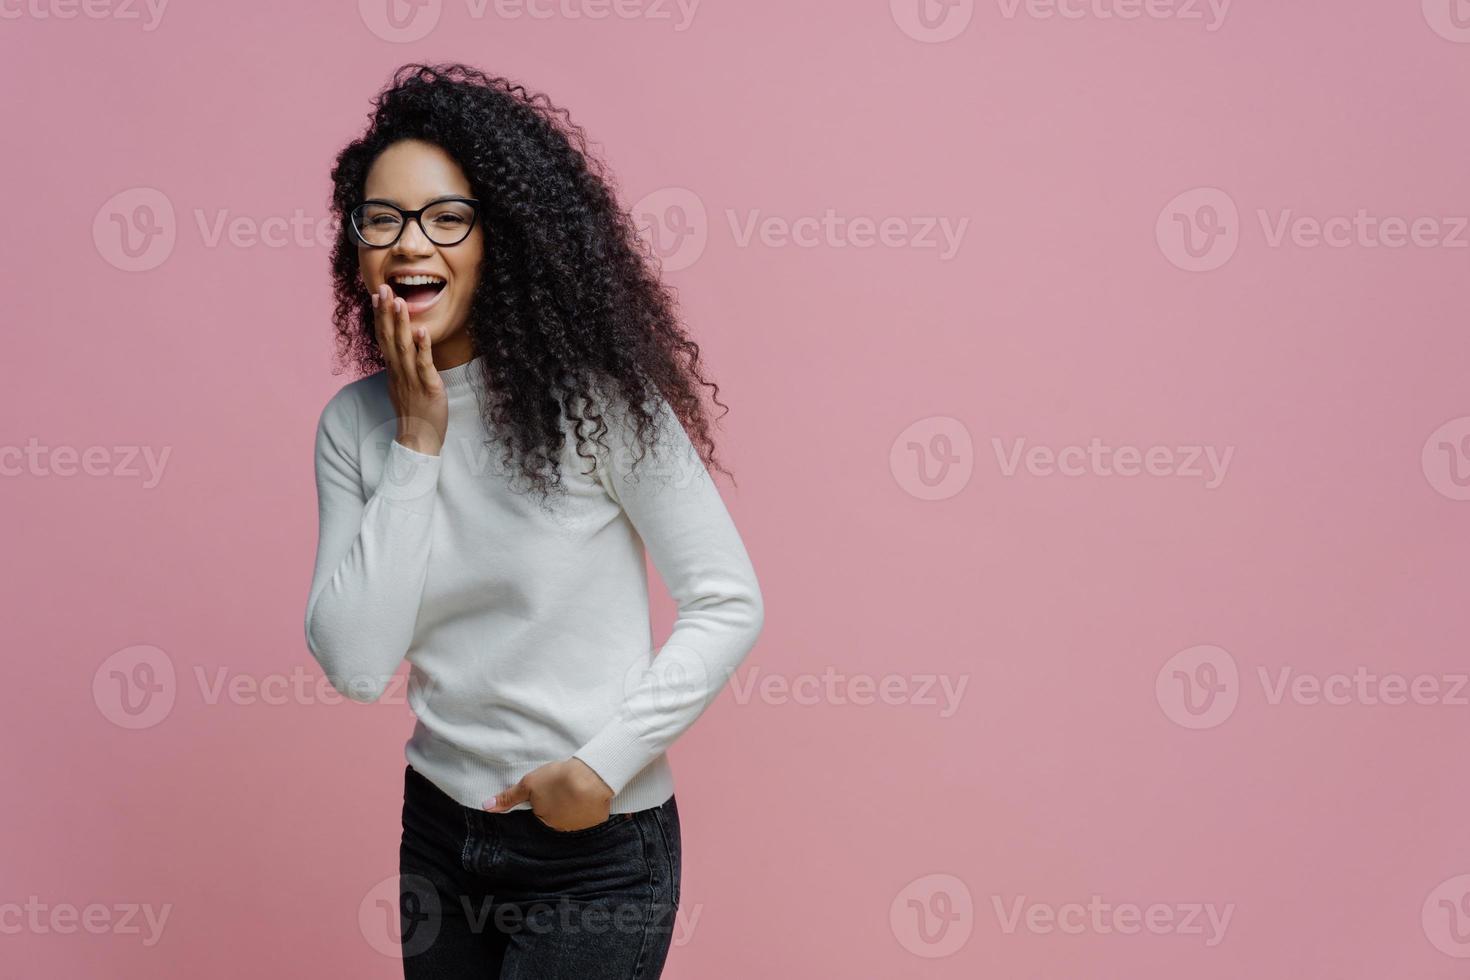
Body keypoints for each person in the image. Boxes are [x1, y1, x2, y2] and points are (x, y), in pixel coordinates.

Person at [304, 62, 765, 978]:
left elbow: (727, 600)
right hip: (439, 836)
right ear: (355, 249)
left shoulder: (599, 406)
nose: (410, 245)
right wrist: (418, 442)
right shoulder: (355, 427)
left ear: (500, 239)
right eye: (382, 220)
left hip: (594, 852)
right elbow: (356, 664)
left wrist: (602, 767)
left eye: (446, 219)